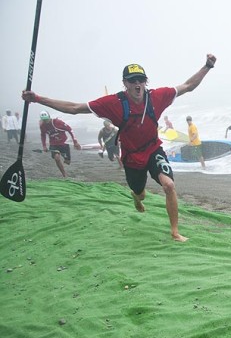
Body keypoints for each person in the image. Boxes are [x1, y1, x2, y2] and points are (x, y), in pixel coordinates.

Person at [22, 53, 217, 242]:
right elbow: (74, 108)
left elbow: (188, 86)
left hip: (153, 150)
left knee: (169, 185)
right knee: (140, 193)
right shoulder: (113, 103)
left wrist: (207, 66)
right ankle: (136, 197)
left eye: (141, 79)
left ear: (145, 82)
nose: (137, 84)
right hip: (131, 157)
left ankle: (175, 232)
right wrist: (38, 99)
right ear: (125, 83)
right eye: (132, 81)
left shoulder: (157, 97)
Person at [39, 110, 81, 177]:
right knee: (57, 158)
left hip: (64, 143)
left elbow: (70, 129)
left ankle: (66, 160)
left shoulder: (57, 122)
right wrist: (44, 146)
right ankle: (64, 174)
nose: (46, 121)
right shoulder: (42, 125)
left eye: (46, 119)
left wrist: (75, 142)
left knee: (67, 162)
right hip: (53, 144)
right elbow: (43, 135)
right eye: (44, 120)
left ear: (49, 117)